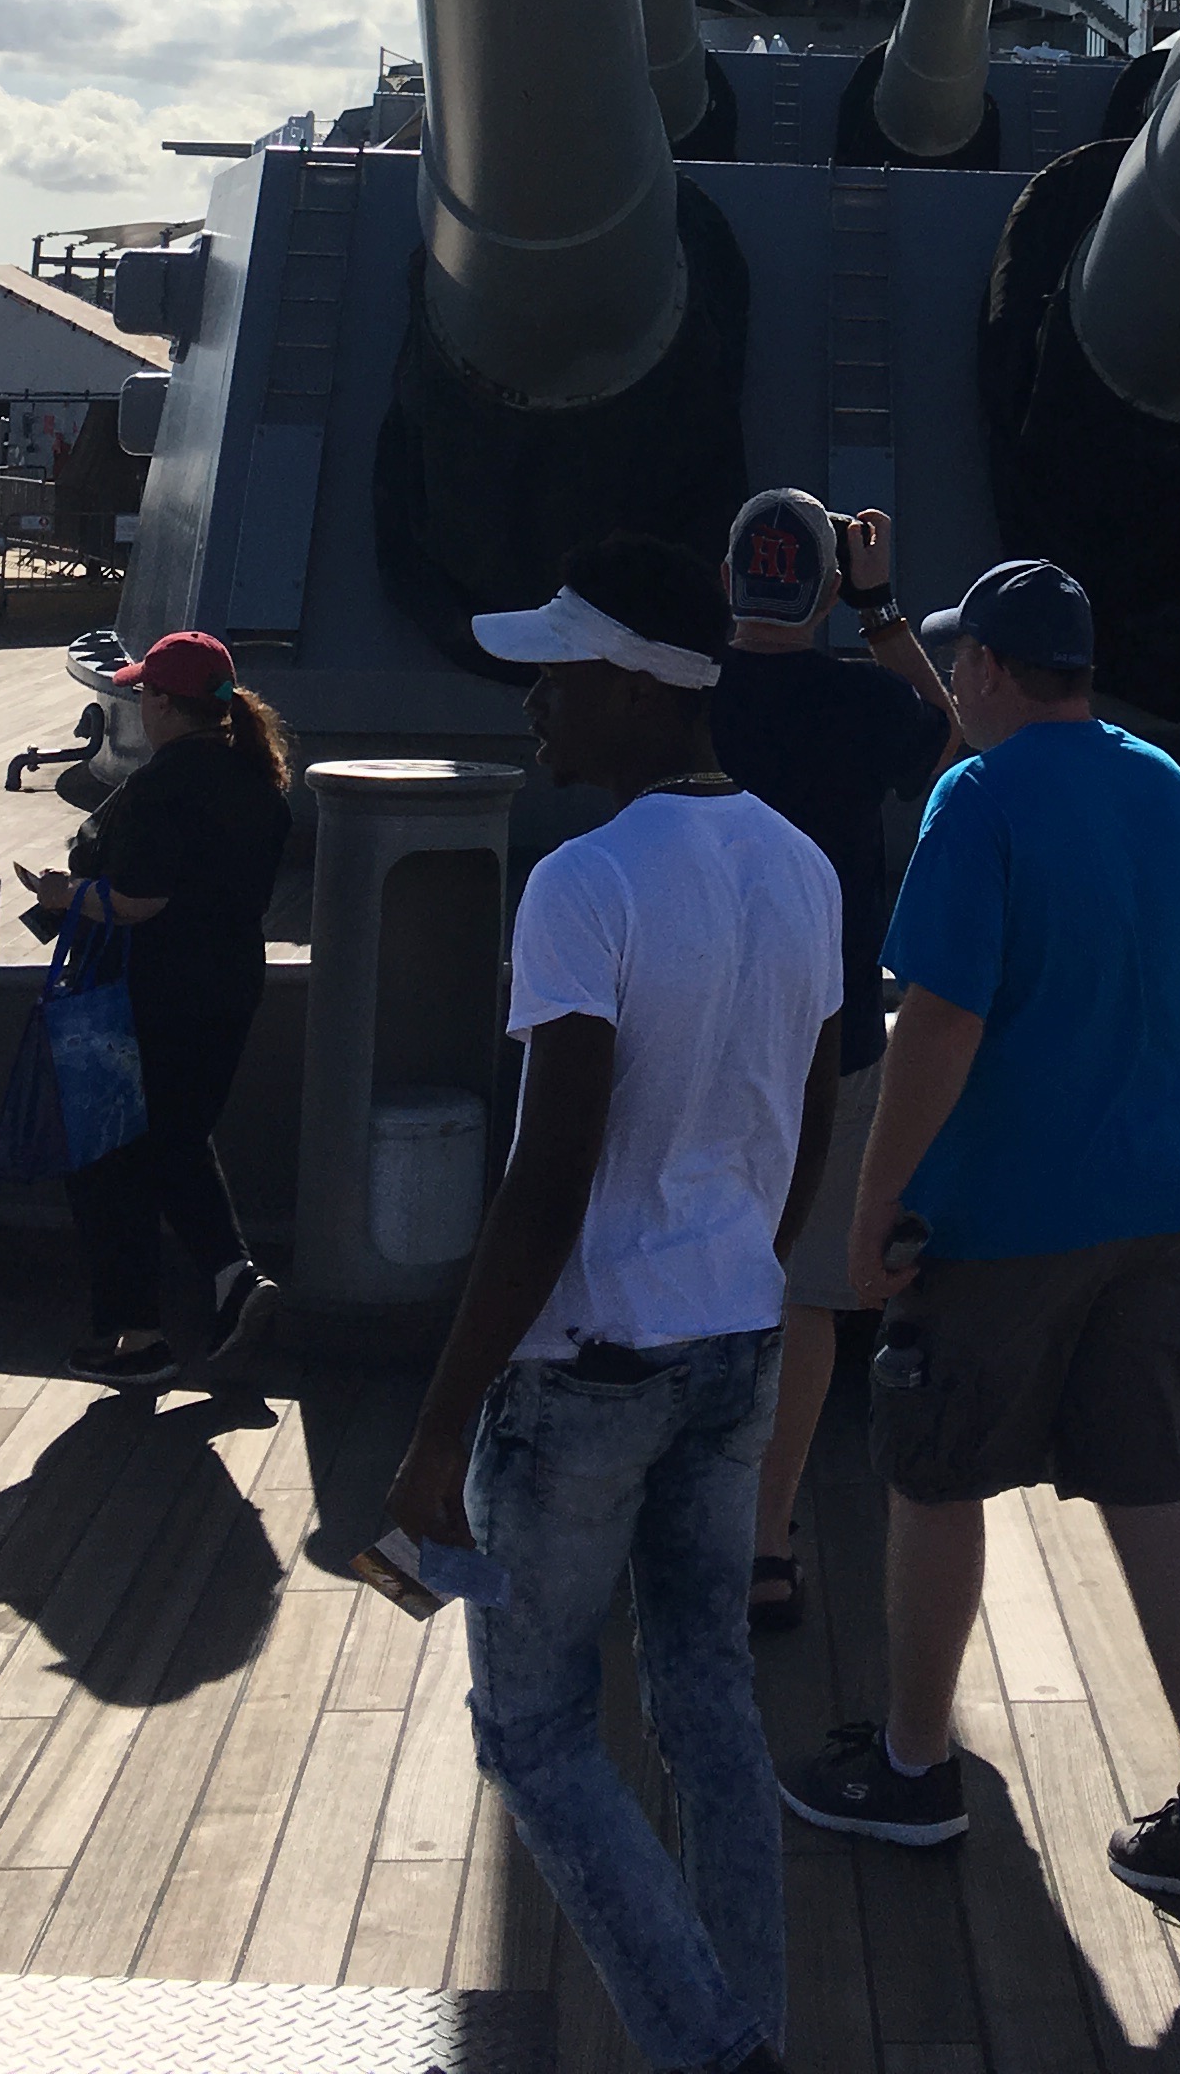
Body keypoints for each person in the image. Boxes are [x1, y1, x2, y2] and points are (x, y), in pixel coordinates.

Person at [383, 536, 839, 2074]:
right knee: (710, 1707)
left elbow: (550, 1172)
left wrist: (438, 1431)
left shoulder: (583, 884)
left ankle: (716, 2052)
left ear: (641, 690)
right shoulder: (803, 866)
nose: (534, 705)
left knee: (532, 1731)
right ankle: (750, 2025)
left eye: (559, 676)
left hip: (586, 1371)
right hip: (736, 1341)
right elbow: (810, 1118)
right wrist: (746, 1268)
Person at [781, 557, 1180, 1922]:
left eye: (961, 662)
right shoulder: (1167, 788)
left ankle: (914, 1766)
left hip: (1001, 1216)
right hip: (1156, 1206)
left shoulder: (980, 797)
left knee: (936, 1479)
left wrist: (876, 1199)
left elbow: (940, 1021)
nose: (956, 683)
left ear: (993, 668)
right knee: (1152, 1489)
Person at [706, 487, 951, 1635]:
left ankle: (678, 1520)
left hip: (689, 1026)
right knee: (804, 1292)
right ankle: (767, 1540)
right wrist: (881, 608)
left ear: (728, 582)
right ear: (823, 590)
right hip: (828, 1034)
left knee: (683, 1268)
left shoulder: (682, 698)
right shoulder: (860, 701)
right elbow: (946, 735)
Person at [12, 626, 290, 1392]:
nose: (139, 705)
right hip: (229, 986)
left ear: (166, 703)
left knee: (107, 1158)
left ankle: (138, 1337)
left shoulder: (166, 785)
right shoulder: (257, 782)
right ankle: (229, 1281)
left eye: (144, 694)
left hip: (147, 996)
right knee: (176, 1140)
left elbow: (139, 901)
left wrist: (63, 895)